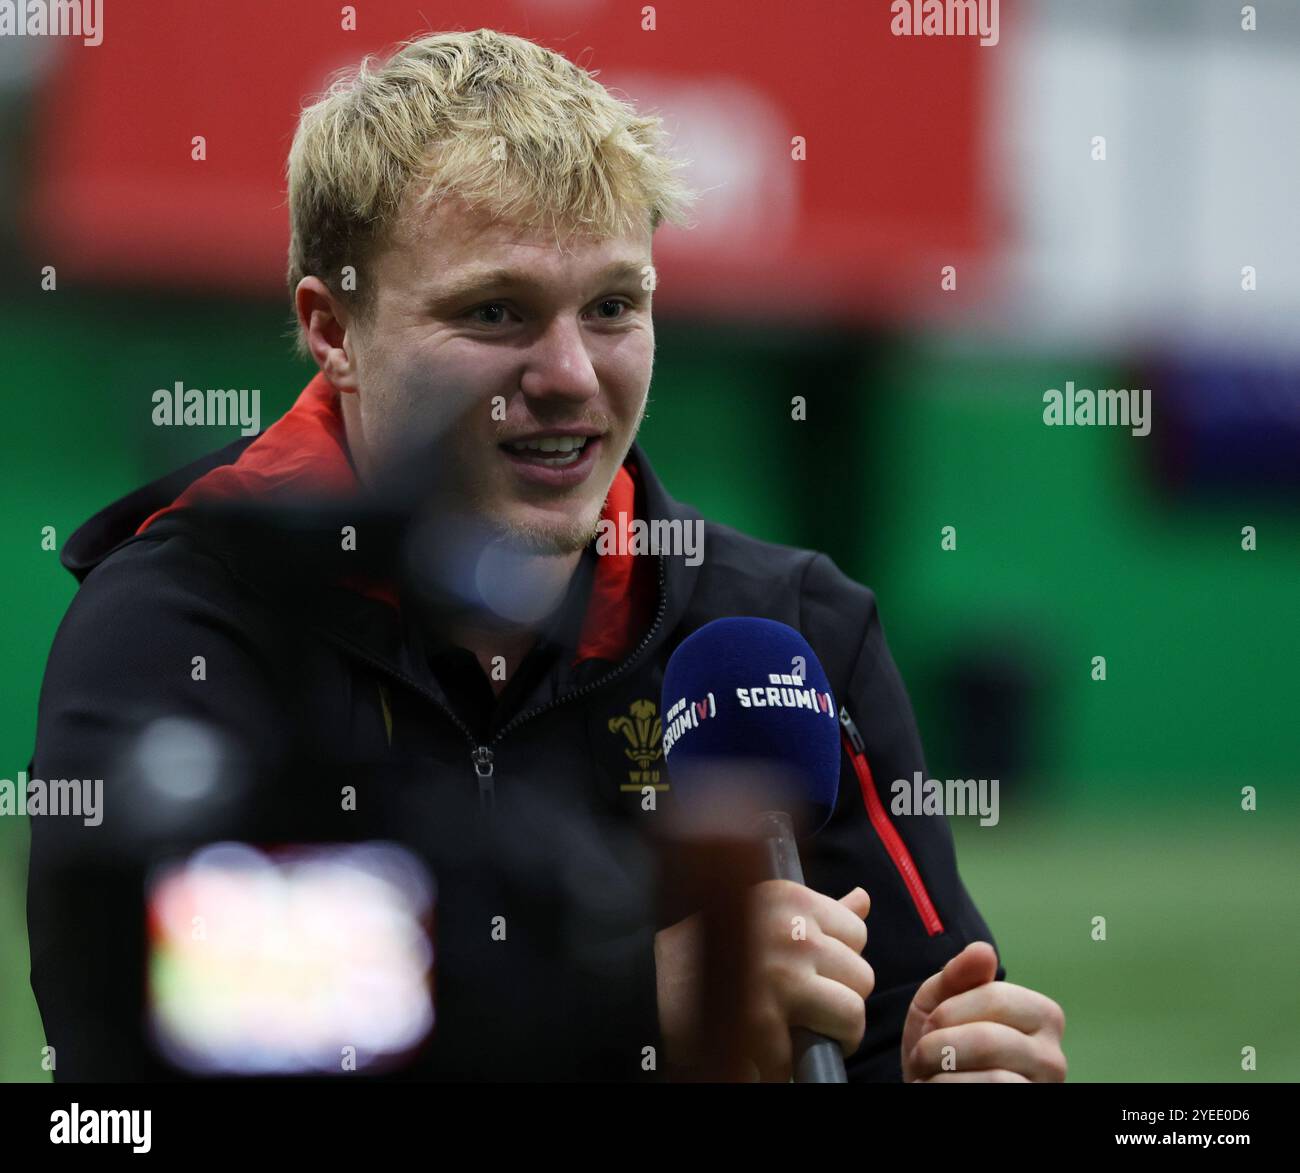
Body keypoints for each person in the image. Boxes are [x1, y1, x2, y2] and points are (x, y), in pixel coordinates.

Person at [27, 27, 1065, 1083]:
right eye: (495, 312)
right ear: (333, 330)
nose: (570, 374)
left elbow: (897, 1027)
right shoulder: (184, 613)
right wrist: (642, 1002)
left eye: (613, 306)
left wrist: (954, 1065)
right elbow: (127, 1048)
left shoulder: (783, 634)